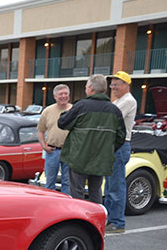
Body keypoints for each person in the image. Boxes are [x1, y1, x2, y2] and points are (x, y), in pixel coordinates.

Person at [57, 74, 126, 204]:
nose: (85, 89)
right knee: (96, 191)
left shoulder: (81, 106)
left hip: (79, 158)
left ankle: (80, 222)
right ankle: (97, 220)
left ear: (91, 89)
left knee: (77, 193)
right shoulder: (114, 110)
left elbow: (62, 123)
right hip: (101, 159)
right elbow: (120, 137)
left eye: (86, 86)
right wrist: (106, 149)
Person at [104, 71, 137, 233]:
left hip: (120, 145)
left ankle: (117, 222)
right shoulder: (119, 101)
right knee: (110, 185)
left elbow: (109, 117)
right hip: (114, 146)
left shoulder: (128, 101)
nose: (113, 87)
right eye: (112, 85)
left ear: (126, 85)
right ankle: (111, 219)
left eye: (116, 84)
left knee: (116, 185)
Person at [37, 84, 72, 194]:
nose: (63, 96)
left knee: (68, 182)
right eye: (60, 94)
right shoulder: (48, 111)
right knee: (50, 182)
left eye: (66, 94)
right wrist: (44, 146)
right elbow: (40, 131)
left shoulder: (74, 110)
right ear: (55, 96)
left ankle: (66, 205)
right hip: (52, 151)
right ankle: (50, 205)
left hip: (69, 152)